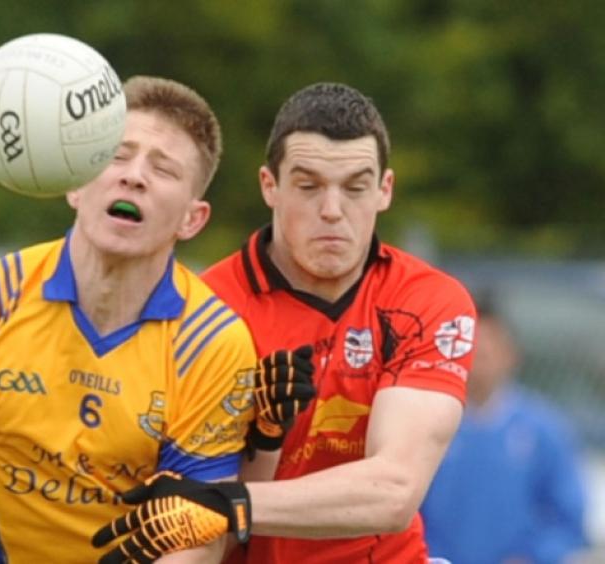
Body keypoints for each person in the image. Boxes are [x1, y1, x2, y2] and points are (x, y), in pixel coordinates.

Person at [0, 75, 313, 564]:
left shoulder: (213, 344)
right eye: (115, 155)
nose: (133, 175)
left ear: (192, 219)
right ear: (74, 183)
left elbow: (198, 542)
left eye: (163, 169)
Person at [92, 81, 478, 563]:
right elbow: (183, 514)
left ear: (385, 190)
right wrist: (256, 448)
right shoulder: (202, 311)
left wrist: (228, 503)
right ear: (269, 186)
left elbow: (395, 490)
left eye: (356, 187)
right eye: (309, 185)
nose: (333, 211)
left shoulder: (427, 300)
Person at [420, 296, 590, 563]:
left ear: (511, 354)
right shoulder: (428, 424)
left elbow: (567, 516)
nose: (482, 356)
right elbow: (408, 508)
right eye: (473, 346)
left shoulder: (544, 428)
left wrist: (533, 556)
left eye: (491, 345)